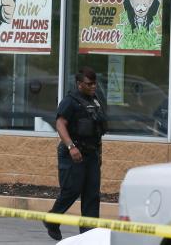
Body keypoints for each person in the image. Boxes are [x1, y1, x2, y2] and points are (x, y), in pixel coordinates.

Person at [45, 67, 108, 241]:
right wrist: (71, 147)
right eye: (89, 84)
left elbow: (96, 130)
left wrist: (99, 154)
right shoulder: (70, 101)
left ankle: (89, 236)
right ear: (79, 84)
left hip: (91, 154)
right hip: (73, 153)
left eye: (95, 83)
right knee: (71, 190)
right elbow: (60, 124)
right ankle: (52, 220)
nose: (93, 86)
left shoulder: (94, 100)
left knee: (92, 195)